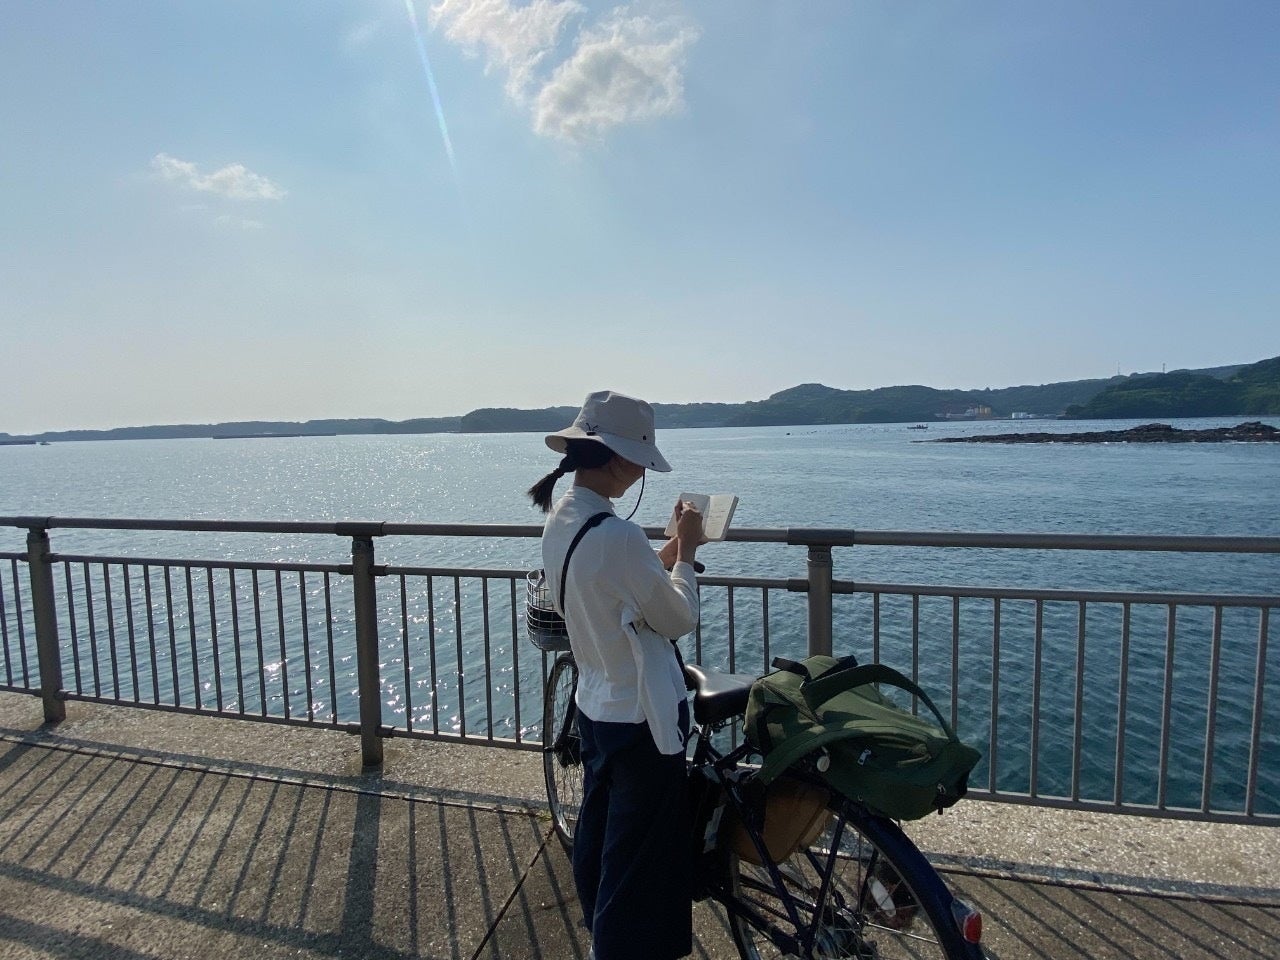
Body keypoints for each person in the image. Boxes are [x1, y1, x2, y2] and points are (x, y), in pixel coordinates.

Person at [528, 390, 704, 960]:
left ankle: (605, 932)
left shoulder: (563, 520)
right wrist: (687, 555)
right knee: (637, 870)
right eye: (637, 460)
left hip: (596, 704)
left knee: (601, 841)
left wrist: (673, 546)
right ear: (617, 459)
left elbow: (613, 587)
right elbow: (678, 617)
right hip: (643, 719)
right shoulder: (620, 537)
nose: (639, 472)